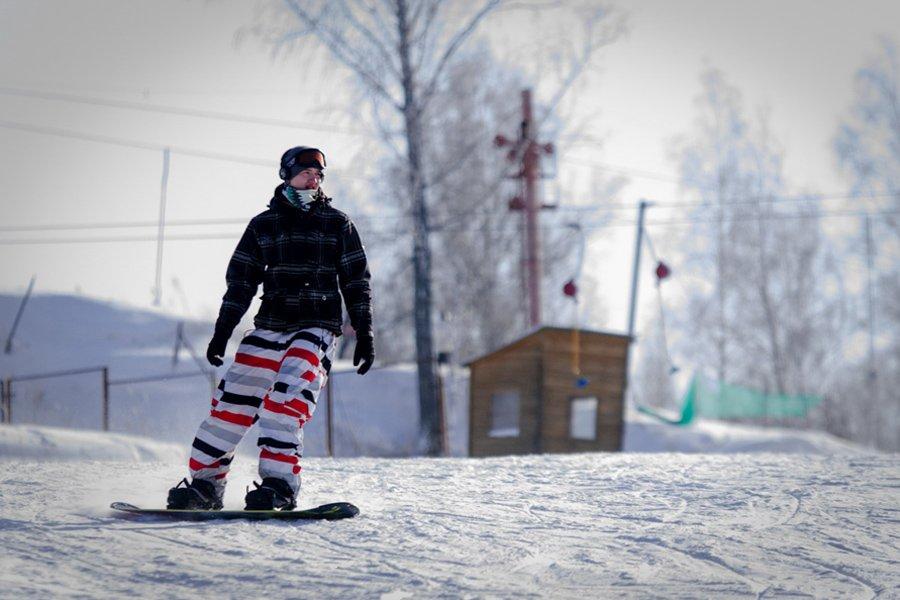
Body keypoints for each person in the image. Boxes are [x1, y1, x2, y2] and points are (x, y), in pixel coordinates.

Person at [167, 146, 374, 511]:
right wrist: (222, 330)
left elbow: (356, 282)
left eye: (318, 173)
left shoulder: (337, 224)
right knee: (229, 406)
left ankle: (279, 486)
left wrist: (365, 331)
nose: (314, 178)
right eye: (306, 171)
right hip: (270, 328)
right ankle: (205, 487)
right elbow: (241, 282)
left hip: (316, 327)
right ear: (287, 175)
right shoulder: (264, 225)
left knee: (284, 404)